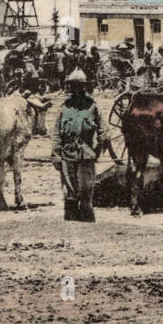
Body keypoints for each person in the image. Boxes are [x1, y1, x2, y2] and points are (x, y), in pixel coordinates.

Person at [51, 69, 111, 222]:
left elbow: (104, 130)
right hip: (67, 155)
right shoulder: (64, 108)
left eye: (80, 86)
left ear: (85, 87)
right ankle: (70, 223)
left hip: (86, 155)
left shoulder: (93, 107)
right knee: (69, 193)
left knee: (85, 192)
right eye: (74, 86)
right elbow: (56, 133)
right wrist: (56, 155)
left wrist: (99, 147)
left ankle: (87, 225)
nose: (77, 89)